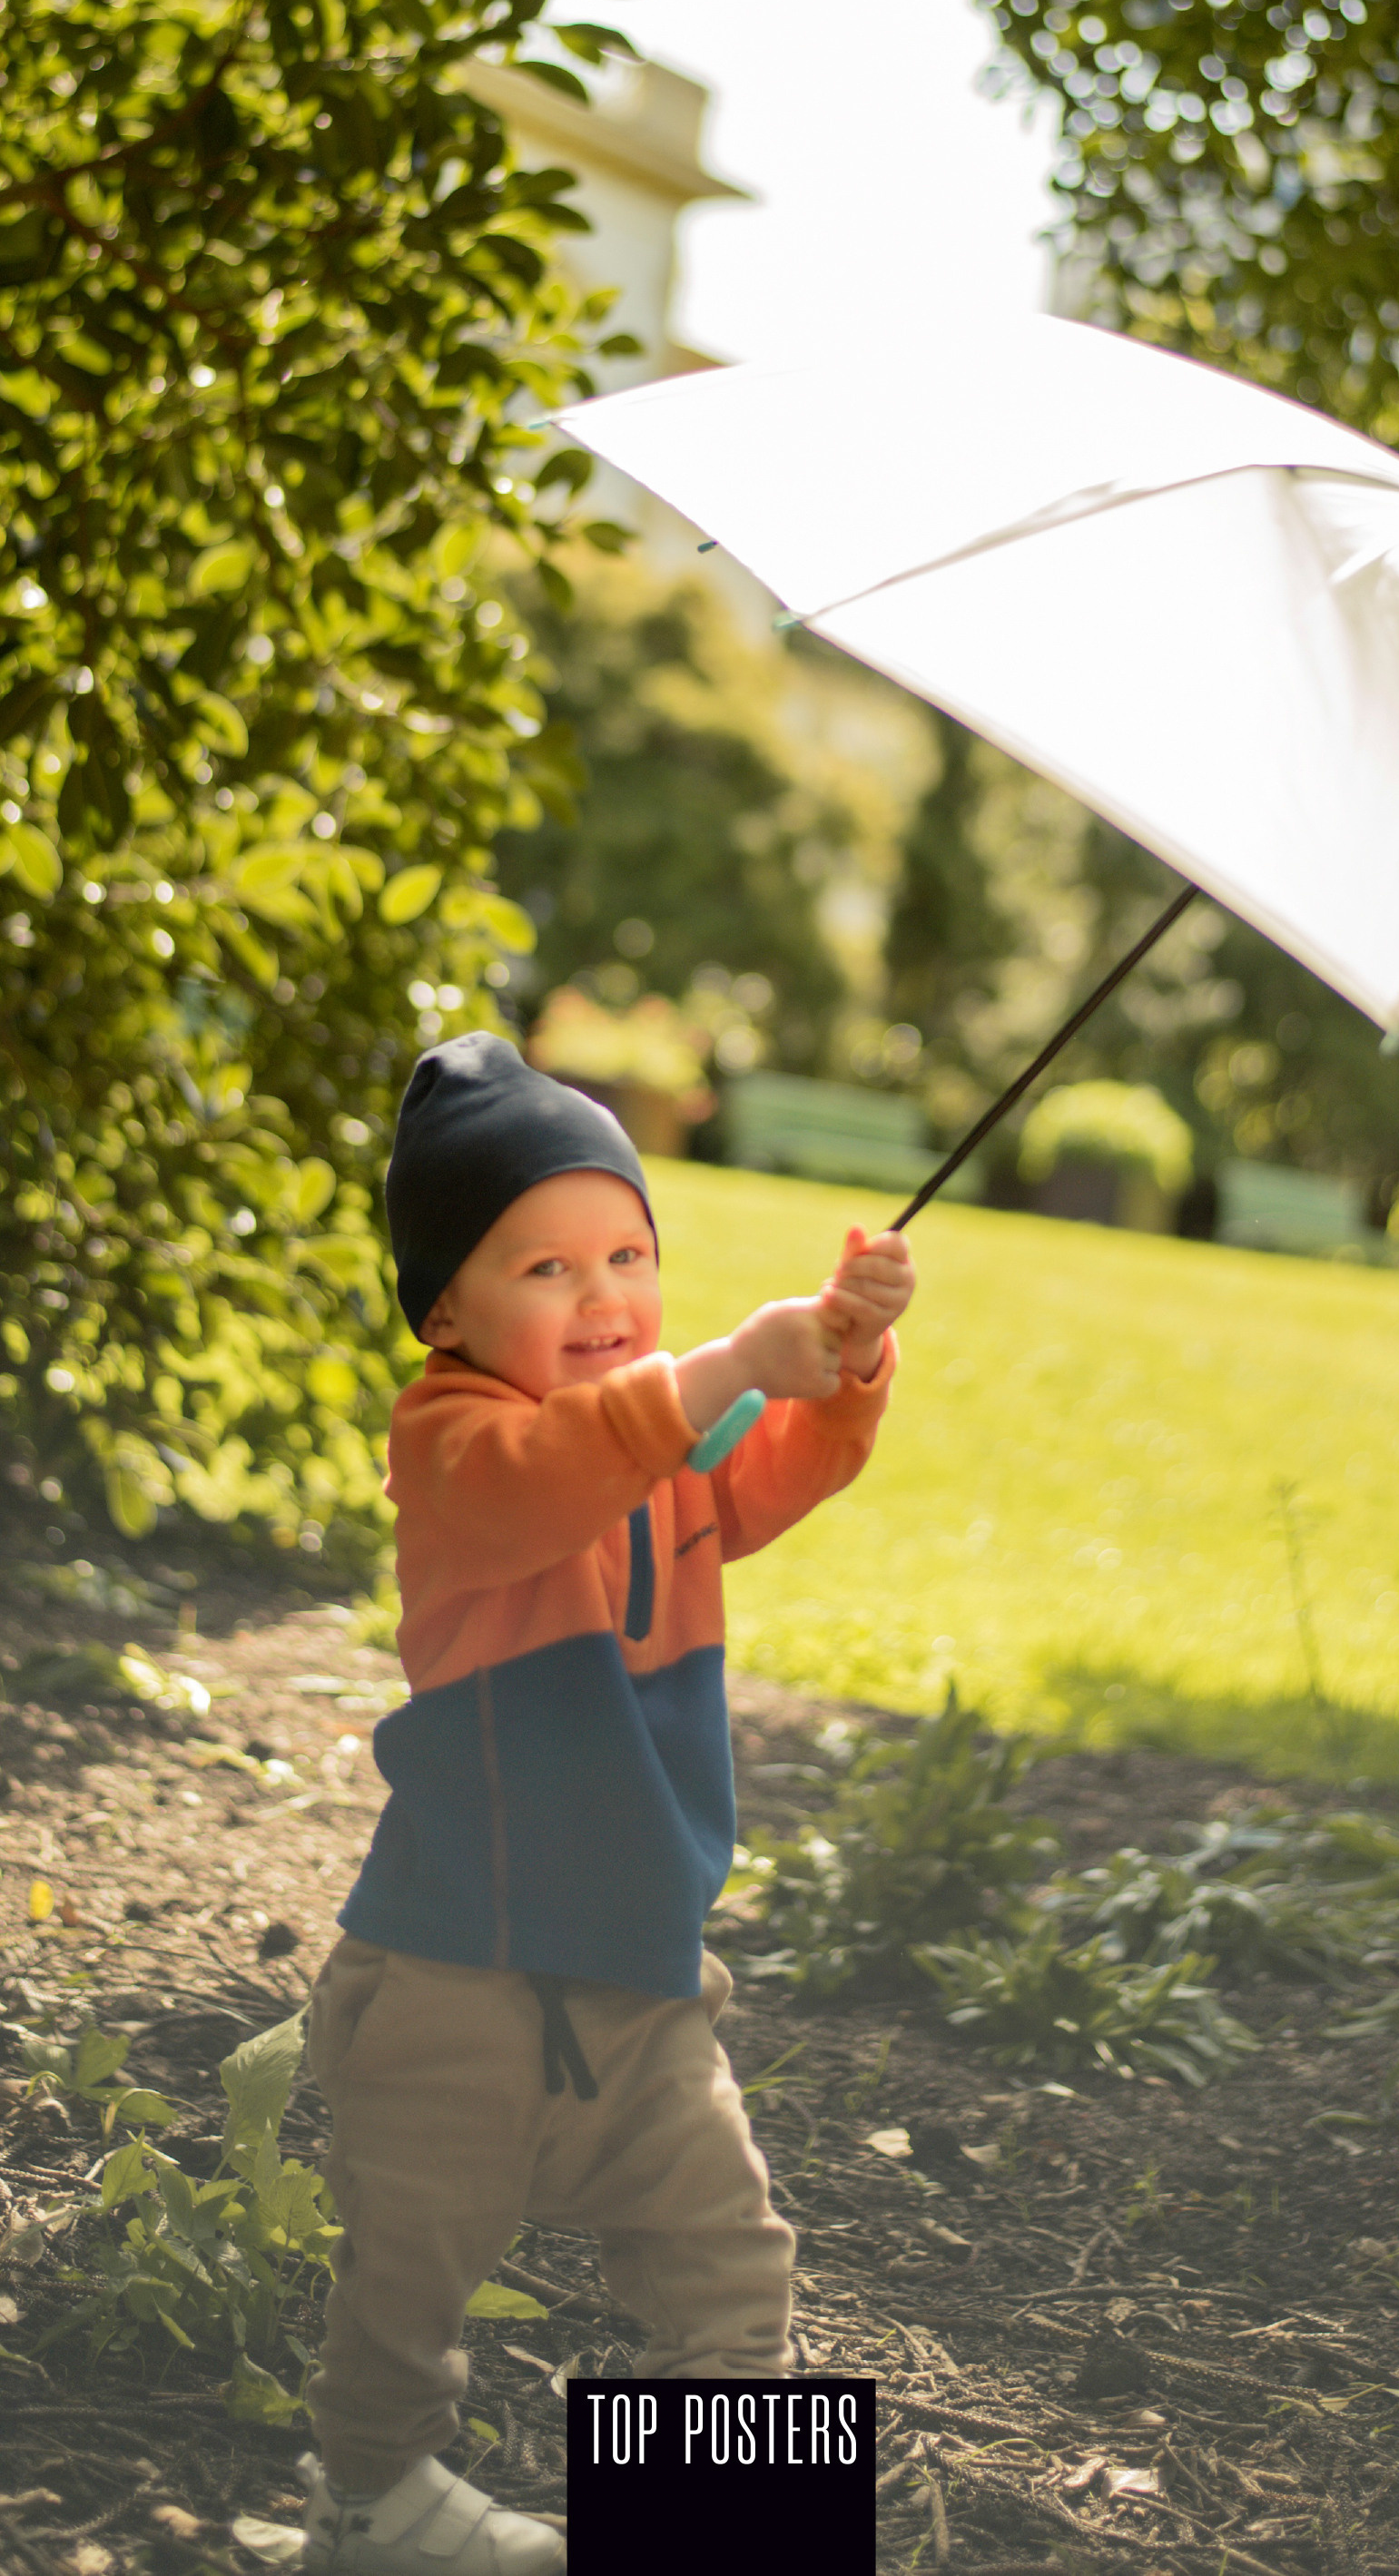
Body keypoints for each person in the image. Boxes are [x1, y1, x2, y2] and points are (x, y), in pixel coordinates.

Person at [297, 1029, 915, 2576]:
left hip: (640, 1973)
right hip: (462, 1966)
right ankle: (370, 2501)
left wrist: (839, 1361)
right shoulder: (449, 1441)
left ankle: (719, 2534)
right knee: (410, 2268)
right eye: (546, 1269)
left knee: (729, 2267)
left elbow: (774, 1469)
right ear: (446, 1310)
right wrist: (711, 1368)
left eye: (628, 1256)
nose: (606, 1301)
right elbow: (553, 1474)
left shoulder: (668, 1437)